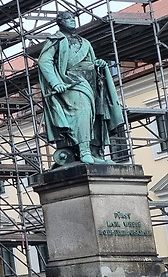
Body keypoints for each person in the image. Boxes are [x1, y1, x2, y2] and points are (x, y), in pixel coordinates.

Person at [37, 11, 124, 165]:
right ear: (60, 22)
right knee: (82, 111)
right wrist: (56, 82)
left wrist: (99, 64)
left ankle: (94, 152)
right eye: (68, 19)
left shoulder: (85, 42)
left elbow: (92, 61)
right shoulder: (55, 40)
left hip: (90, 81)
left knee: (94, 117)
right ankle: (84, 152)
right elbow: (44, 61)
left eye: (73, 18)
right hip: (70, 81)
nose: (72, 20)